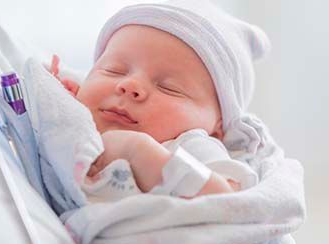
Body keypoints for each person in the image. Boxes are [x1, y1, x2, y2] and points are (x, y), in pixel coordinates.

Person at [44, 0, 264, 202]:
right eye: (114, 70)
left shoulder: (191, 146)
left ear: (216, 130)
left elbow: (229, 202)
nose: (130, 85)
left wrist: (138, 152)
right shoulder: (76, 119)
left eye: (169, 88)